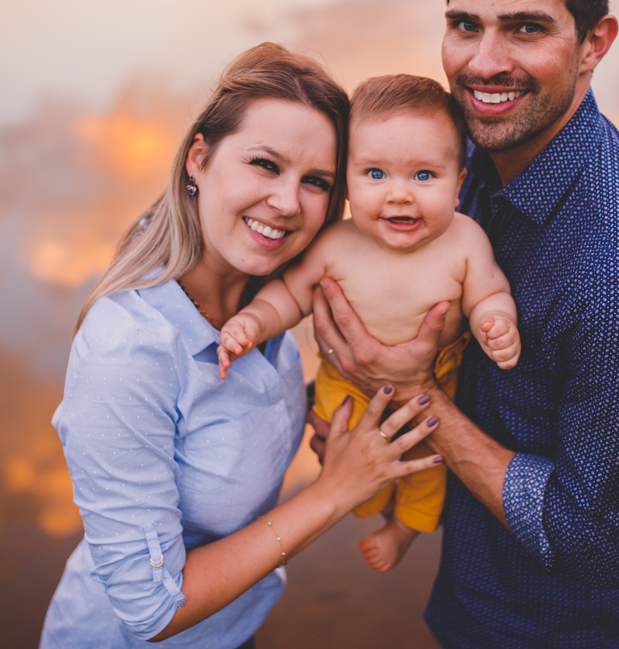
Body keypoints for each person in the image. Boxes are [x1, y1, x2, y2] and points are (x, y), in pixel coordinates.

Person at [309, 0, 619, 647]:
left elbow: (593, 541)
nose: (483, 63)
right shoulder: (460, 159)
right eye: (465, 25)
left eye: (525, 28)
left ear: (595, 43)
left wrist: (412, 392)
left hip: (558, 630)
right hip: (470, 592)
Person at [39, 44, 444, 649]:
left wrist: (349, 399)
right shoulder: (128, 350)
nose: (286, 203)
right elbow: (151, 611)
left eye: (316, 182)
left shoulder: (270, 294)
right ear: (198, 159)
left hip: (232, 631)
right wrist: (336, 490)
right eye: (264, 164)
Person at [217, 74, 521, 573]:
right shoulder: (336, 243)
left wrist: (495, 322)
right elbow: (291, 295)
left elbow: (489, 292)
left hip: (428, 401)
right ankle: (362, 500)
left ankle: (404, 529)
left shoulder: (465, 242)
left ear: (459, 181)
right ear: (347, 179)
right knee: (347, 460)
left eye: (424, 176)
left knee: (426, 470)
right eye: (375, 174)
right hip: (346, 394)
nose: (399, 196)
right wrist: (253, 321)